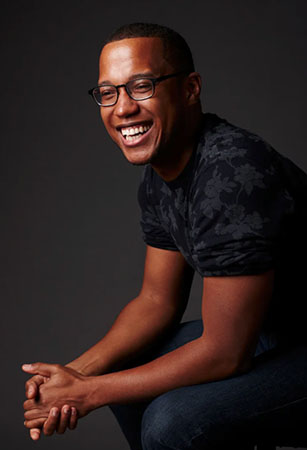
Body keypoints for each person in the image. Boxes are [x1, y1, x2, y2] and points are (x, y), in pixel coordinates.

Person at [22, 23, 307, 450]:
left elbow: (226, 352)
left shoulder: (231, 174)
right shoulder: (162, 175)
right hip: (272, 329)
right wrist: (75, 373)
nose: (122, 109)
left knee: (171, 422)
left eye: (141, 86)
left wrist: (89, 393)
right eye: (108, 92)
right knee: (129, 366)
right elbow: (157, 301)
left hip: (293, 341)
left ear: (191, 88)